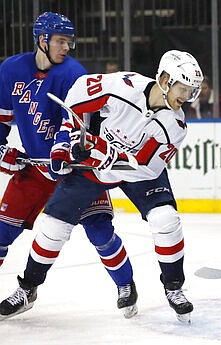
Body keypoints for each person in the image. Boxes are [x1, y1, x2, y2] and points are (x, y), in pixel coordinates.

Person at [0, 49, 203, 323]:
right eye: (184, 89)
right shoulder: (124, 86)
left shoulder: (175, 125)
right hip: (94, 165)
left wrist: (106, 153)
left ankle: (174, 288)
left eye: (191, 92)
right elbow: (78, 98)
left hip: (135, 171)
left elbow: (145, 167)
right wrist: (65, 142)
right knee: (52, 227)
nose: (186, 98)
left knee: (165, 219)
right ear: (165, 79)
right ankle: (28, 289)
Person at [0, 12, 137, 319]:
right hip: (34, 170)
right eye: (61, 41)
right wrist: (1, 151)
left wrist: (64, 151)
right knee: (1, 232)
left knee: (100, 230)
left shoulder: (73, 73)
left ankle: (126, 285)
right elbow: (2, 119)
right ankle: (28, 290)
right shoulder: (10, 70)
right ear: (42, 40)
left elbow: (77, 121)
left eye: (69, 42)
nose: (67, 48)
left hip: (76, 171)